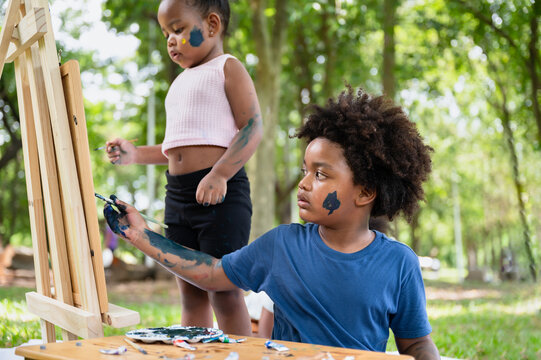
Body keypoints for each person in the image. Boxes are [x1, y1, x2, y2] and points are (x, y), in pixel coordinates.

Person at [104, 86, 440, 358]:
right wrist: (142, 235)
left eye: (321, 174)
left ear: (366, 192)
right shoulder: (282, 245)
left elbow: (417, 345)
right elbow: (210, 273)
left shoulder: (400, 264)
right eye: (304, 171)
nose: (305, 183)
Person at [105, 0, 262, 336]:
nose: (170, 40)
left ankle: (240, 356)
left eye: (177, 29)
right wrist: (134, 153)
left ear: (212, 25)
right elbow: (174, 148)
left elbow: (253, 126)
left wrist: (220, 173)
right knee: (189, 292)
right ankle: (195, 353)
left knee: (223, 290)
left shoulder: (227, 67)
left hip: (221, 196)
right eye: (166, 33)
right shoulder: (179, 84)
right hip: (177, 198)